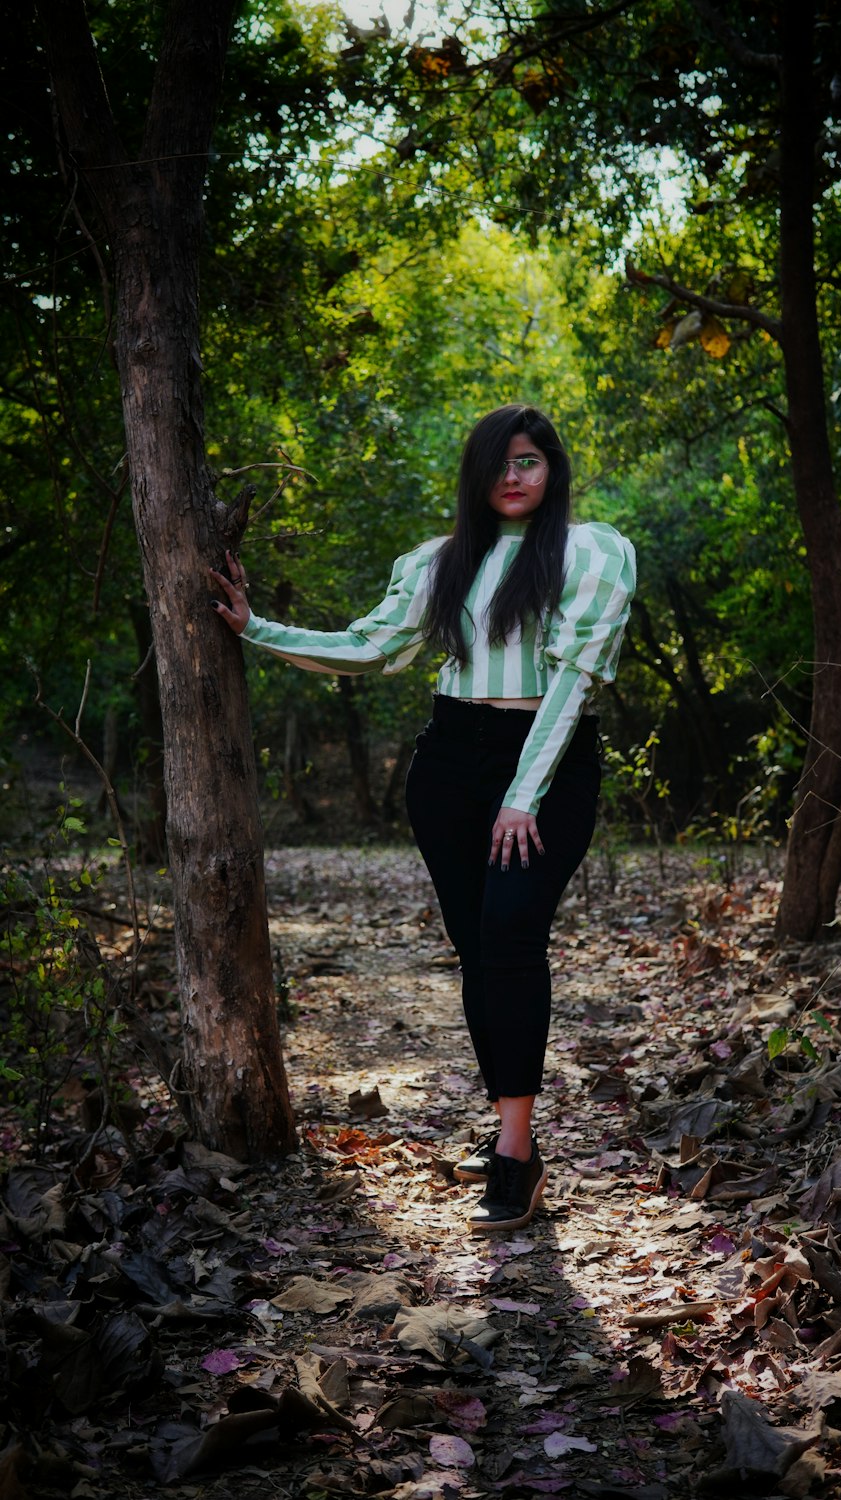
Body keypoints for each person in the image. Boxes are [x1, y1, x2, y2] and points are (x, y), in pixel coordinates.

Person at [209, 404, 636, 1234]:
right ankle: (511, 1128)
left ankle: (517, 1155)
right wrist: (255, 628)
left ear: (553, 471)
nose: (513, 477)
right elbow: (374, 648)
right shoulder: (440, 563)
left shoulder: (593, 553)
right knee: (478, 947)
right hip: (448, 764)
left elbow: (574, 683)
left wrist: (524, 794)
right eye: (497, 463)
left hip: (544, 761)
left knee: (512, 937)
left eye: (529, 461)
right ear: (476, 477)